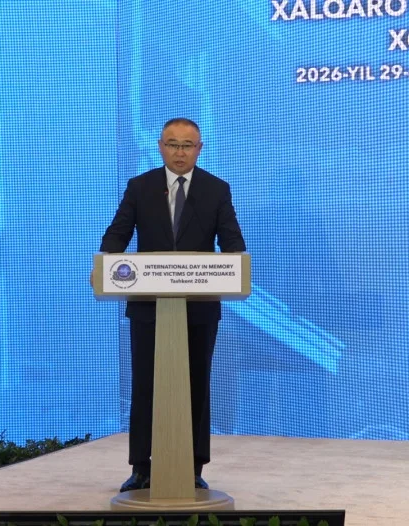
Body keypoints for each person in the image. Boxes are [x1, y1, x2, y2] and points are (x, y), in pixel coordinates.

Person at [93, 118, 246, 492]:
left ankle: (193, 467)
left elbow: (232, 243)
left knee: (197, 385)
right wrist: (103, 264)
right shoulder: (140, 187)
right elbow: (117, 233)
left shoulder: (216, 190)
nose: (180, 152)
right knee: (145, 385)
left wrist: (236, 265)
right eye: (173, 144)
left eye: (187, 145)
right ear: (161, 147)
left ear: (199, 149)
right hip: (149, 306)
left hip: (199, 308)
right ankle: (141, 467)